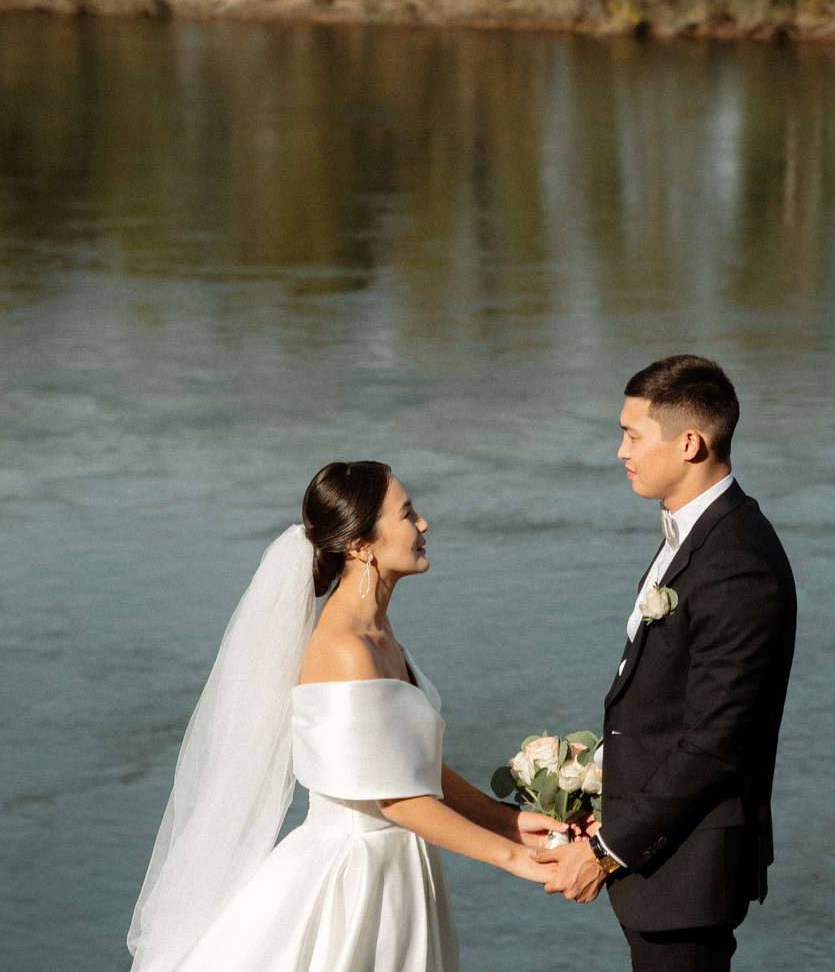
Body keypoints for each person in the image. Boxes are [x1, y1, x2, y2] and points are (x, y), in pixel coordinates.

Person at [127, 460, 574, 972]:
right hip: (355, 882)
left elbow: (412, 769)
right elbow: (398, 799)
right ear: (362, 545)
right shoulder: (345, 648)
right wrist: (516, 859)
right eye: (407, 514)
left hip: (402, 867)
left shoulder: (380, 634)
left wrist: (512, 823)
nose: (423, 525)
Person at [533, 354, 799, 971]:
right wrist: (592, 780)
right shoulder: (694, 537)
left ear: (688, 442)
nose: (619, 451)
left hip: (689, 871)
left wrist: (605, 850)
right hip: (662, 862)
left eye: (631, 435)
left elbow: (714, 744)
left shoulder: (736, 561)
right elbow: (662, 704)